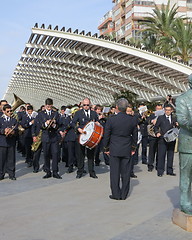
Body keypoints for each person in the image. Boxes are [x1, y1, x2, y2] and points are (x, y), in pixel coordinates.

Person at [103, 98, 138, 200]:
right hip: (127, 148)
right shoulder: (132, 119)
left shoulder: (111, 119)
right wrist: (133, 148)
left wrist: (106, 148)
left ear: (117, 107)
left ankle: (116, 194)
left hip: (114, 148)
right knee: (126, 173)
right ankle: (124, 194)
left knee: (114, 173)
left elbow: (107, 135)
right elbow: (135, 135)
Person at [176, 73, 192, 214]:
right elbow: (182, 121)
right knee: (186, 177)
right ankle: (185, 203)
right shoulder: (182, 100)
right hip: (188, 145)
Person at [72, 97, 99, 179]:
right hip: (81, 136)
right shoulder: (78, 113)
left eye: (87, 105)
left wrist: (97, 123)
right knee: (80, 155)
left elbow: (97, 122)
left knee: (91, 155)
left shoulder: (94, 113)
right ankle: (80, 171)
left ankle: (92, 172)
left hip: (91, 137)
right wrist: (78, 129)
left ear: (90, 105)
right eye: (84, 105)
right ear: (82, 105)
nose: (86, 106)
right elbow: (73, 123)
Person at [38, 98, 61, 179]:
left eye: (50, 106)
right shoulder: (41, 114)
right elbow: (40, 125)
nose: (49, 107)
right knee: (46, 155)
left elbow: (59, 125)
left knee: (55, 154)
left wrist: (54, 125)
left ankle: (55, 172)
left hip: (54, 137)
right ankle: (48, 171)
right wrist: (46, 123)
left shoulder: (55, 113)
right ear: (45, 105)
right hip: (46, 137)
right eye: (48, 106)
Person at [154, 104, 178, 177]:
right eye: (166, 110)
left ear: (171, 111)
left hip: (172, 139)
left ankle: (169, 170)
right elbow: (156, 127)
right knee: (161, 155)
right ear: (164, 110)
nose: (167, 111)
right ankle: (160, 171)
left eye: (169, 110)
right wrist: (157, 133)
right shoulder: (161, 118)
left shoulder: (174, 118)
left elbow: (176, 127)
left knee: (170, 155)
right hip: (162, 139)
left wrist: (177, 125)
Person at [0, 104, 18, 180]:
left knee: (11, 159)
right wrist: (4, 131)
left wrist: (13, 132)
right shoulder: (0, 120)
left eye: (11, 111)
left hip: (11, 142)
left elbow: (16, 130)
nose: (10, 112)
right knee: (1, 159)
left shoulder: (14, 120)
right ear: (3, 111)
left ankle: (11, 174)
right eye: (8, 111)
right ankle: (1, 174)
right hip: (2, 142)